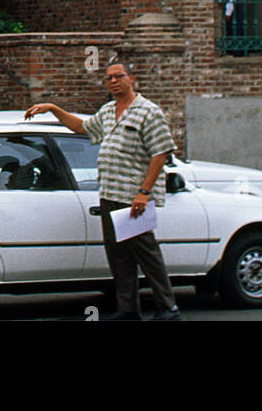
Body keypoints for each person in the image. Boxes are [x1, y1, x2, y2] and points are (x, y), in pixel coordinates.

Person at [24, 60, 182, 320]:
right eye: (108, 78)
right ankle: (129, 309)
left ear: (131, 78)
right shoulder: (108, 111)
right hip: (110, 194)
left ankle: (168, 308)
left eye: (118, 76)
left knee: (146, 253)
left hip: (133, 196)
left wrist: (143, 192)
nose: (113, 81)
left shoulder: (148, 111)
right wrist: (53, 109)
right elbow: (82, 128)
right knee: (119, 256)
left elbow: (160, 152)